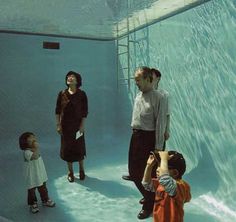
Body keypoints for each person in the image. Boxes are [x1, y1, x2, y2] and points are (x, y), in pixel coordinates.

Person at [122, 66, 165, 219]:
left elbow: (160, 123)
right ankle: (150, 197)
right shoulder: (138, 95)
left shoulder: (159, 97)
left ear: (148, 79)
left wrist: (158, 148)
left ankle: (149, 205)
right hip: (136, 137)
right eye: (135, 80)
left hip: (149, 138)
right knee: (134, 173)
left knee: (150, 174)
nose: (136, 83)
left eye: (138, 80)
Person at [55, 71, 88, 182]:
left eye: (73, 77)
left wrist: (82, 126)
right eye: (68, 76)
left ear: (77, 80)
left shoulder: (82, 94)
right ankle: (70, 172)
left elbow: (84, 112)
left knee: (79, 148)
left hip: (78, 127)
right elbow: (57, 111)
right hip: (65, 127)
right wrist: (58, 124)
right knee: (67, 149)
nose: (70, 78)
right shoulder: (62, 93)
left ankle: (81, 170)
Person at [142, 150, 191, 222]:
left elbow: (165, 180)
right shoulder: (161, 183)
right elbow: (146, 184)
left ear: (175, 172)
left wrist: (164, 159)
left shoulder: (180, 186)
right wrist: (149, 166)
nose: (157, 170)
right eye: (158, 166)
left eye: (161, 166)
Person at [19, 132, 56, 214]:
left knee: (43, 188)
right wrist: (36, 148)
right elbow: (35, 156)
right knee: (31, 190)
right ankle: (33, 203)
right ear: (25, 142)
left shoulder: (33, 149)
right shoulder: (27, 152)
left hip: (39, 172)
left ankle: (45, 200)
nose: (34, 138)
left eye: (34, 137)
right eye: (31, 137)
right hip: (32, 175)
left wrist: (35, 148)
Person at [151, 68, 170, 149]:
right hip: (148, 131)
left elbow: (167, 114)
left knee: (159, 155)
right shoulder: (145, 93)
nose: (150, 77)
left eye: (152, 75)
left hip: (160, 130)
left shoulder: (164, 94)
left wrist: (167, 130)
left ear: (158, 78)